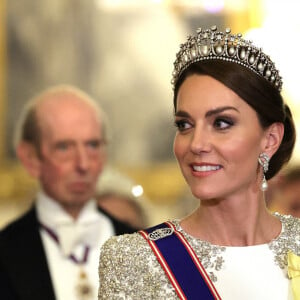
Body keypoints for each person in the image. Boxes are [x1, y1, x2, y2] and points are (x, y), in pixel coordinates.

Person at [98, 26, 300, 299]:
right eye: (184, 125)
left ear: (271, 139)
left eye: (221, 123)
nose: (196, 144)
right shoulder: (134, 260)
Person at [0, 85, 136, 300]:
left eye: (92, 145)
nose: (83, 164)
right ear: (30, 158)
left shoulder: (142, 247)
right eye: (64, 147)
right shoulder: (6, 253)